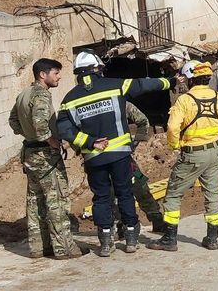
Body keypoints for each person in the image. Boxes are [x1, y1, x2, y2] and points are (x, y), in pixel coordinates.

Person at [57, 50, 173, 257]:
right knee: (125, 193)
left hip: (94, 157)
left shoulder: (69, 99)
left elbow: (64, 130)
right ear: (96, 69)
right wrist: (169, 81)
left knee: (101, 198)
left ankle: (105, 242)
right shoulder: (114, 85)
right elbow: (143, 85)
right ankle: (130, 238)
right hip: (120, 155)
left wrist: (90, 142)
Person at [148, 60, 218, 252]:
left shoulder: (184, 100)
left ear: (191, 79)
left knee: (173, 194)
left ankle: (169, 238)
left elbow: (173, 127)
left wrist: (175, 144)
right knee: (212, 195)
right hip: (215, 153)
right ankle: (212, 238)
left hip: (193, 155)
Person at [9, 58, 82, 260]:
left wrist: (27, 134)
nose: (59, 77)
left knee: (35, 201)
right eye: (56, 73)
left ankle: (38, 247)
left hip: (30, 154)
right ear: (43, 74)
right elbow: (41, 124)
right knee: (56, 200)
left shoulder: (24, 95)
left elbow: (13, 120)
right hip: (45, 156)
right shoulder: (41, 95)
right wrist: (52, 141)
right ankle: (63, 248)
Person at [112, 102, 166, 238]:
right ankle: (120, 224)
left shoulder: (121, 103)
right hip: (103, 160)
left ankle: (156, 218)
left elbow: (143, 121)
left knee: (140, 183)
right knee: (112, 192)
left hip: (125, 158)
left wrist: (135, 142)